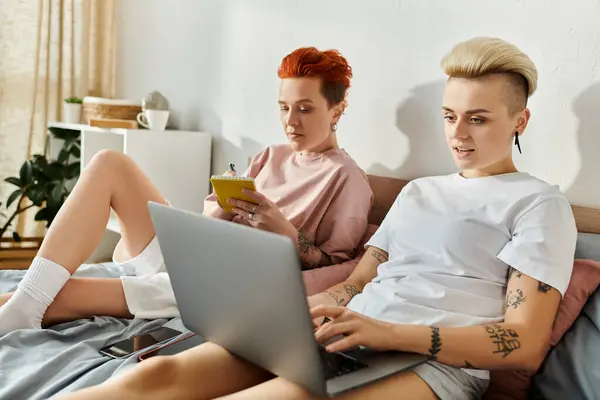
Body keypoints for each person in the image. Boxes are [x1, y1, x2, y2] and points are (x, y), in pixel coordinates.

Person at [57, 37, 577, 400]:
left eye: (479, 119)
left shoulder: (538, 204)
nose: (458, 134)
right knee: (154, 378)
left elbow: (524, 341)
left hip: (431, 363)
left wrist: (390, 333)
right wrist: (284, 316)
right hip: (348, 335)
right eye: (449, 116)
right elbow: (354, 282)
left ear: (519, 120)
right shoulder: (418, 193)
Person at [0, 47, 373, 334]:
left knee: (57, 294)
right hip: (198, 248)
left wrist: (286, 232)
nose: (290, 122)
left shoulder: (348, 180)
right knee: (109, 164)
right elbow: (209, 215)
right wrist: (224, 206)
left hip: (223, 282)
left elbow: (337, 270)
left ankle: (19, 310)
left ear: (337, 110)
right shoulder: (269, 156)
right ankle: (21, 307)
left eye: (305, 109)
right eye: (284, 108)